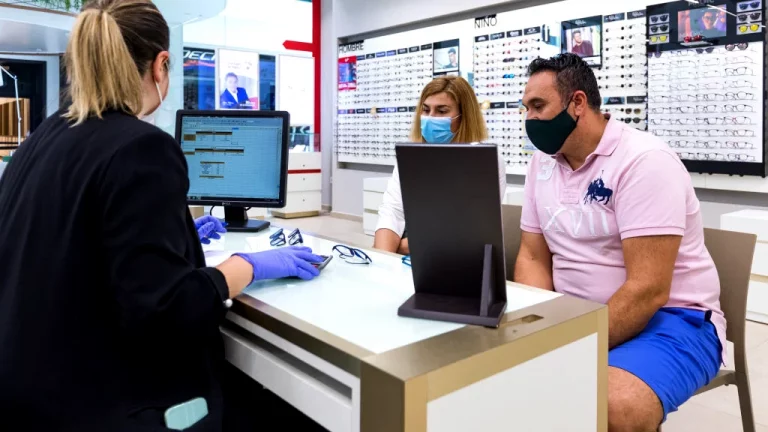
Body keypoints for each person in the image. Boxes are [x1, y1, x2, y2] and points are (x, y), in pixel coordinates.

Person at [0, 1, 323, 430]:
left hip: (29, 394)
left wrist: (178, 236)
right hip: (104, 406)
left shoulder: (47, 134)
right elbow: (169, 311)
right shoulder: (140, 146)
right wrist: (245, 265)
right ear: (161, 65)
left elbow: (71, 243)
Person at [516, 53, 723, 431]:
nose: (529, 118)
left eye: (538, 106)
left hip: (674, 320)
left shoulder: (644, 161)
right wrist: (540, 325)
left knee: (612, 407)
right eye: (526, 108)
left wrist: (570, 344)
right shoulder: (541, 163)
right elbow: (532, 256)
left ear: (577, 103)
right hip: (577, 315)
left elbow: (648, 289)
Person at [374, 76, 506, 255]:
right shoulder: (410, 156)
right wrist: (383, 257)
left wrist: (404, 246)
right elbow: (392, 210)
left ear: (464, 116)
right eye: (426, 110)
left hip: (459, 255)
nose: (430, 118)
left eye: (442, 111)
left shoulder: (486, 161)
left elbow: (471, 228)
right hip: (411, 246)